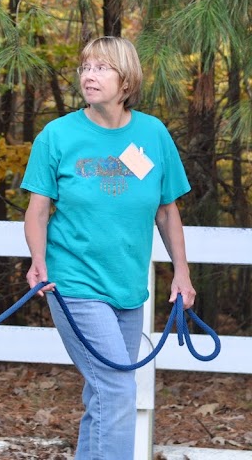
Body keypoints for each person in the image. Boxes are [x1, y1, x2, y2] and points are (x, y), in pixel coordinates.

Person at [21, 36, 196, 460]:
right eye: (85, 67)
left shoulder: (151, 135)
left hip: (129, 288)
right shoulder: (57, 135)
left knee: (103, 396)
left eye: (101, 68)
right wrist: (39, 262)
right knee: (117, 389)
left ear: (127, 81)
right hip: (74, 284)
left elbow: (167, 211)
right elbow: (37, 211)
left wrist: (183, 273)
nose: (89, 75)